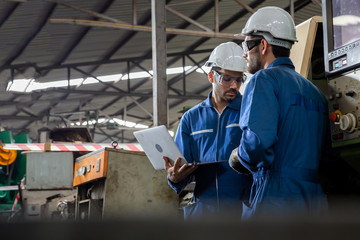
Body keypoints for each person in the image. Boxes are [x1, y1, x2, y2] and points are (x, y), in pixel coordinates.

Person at [229, 6, 329, 219]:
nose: (244, 53)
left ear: (263, 45)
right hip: (316, 203)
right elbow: (327, 155)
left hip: (276, 200)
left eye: (247, 44)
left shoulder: (263, 81)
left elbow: (257, 145)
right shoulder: (317, 94)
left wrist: (238, 155)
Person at [163, 42, 252, 219]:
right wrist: (174, 178)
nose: (234, 85)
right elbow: (182, 169)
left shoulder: (249, 111)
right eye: (227, 79)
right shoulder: (191, 119)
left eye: (239, 79)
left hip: (243, 214)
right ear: (211, 76)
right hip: (204, 215)